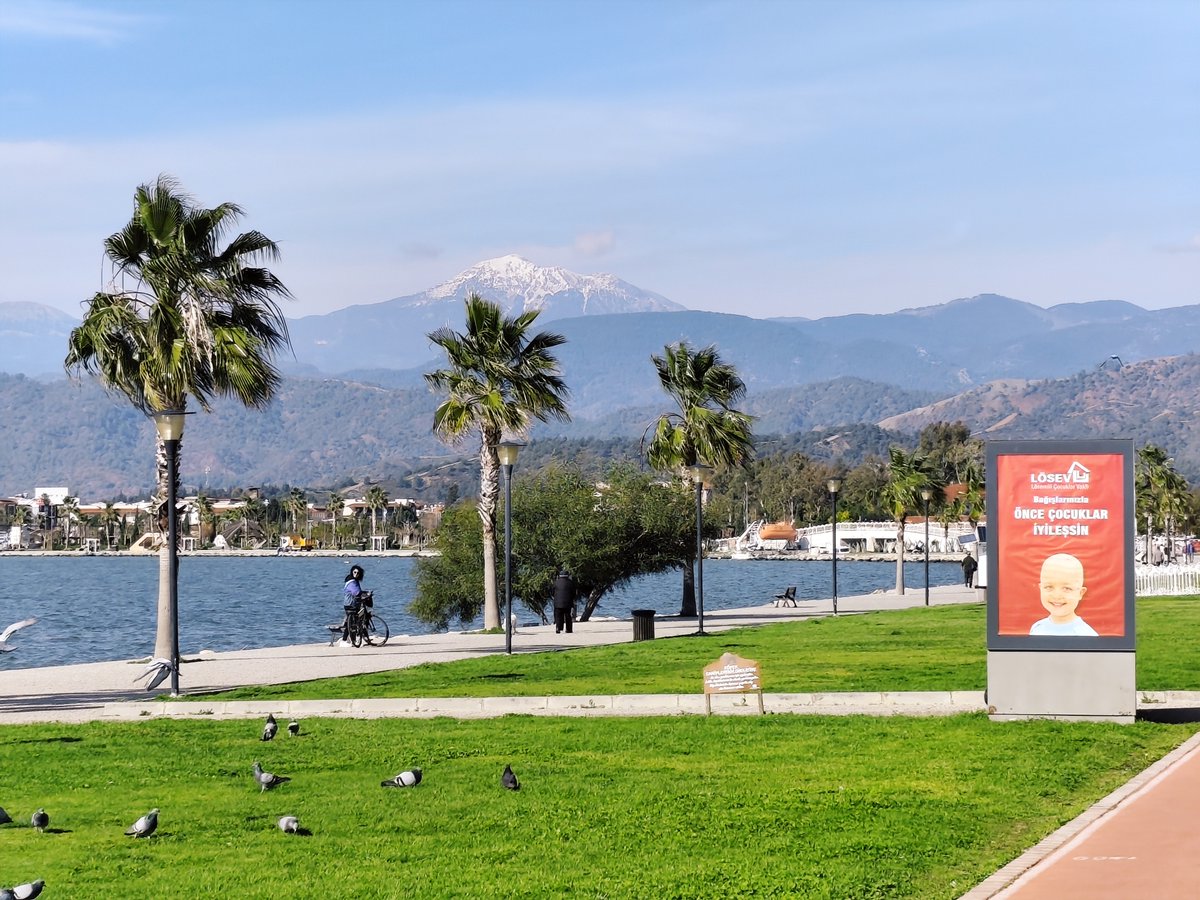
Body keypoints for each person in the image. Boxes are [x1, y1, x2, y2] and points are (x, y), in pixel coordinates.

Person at [1029, 553, 1098, 636]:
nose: (1057, 595)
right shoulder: (1037, 628)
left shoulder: (1086, 635)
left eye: (1067, 588)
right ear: (1041, 588)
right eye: (1049, 587)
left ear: (1080, 593)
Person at [340, 565, 366, 645]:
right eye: (354, 572)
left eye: (358, 573)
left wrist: (364, 593)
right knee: (350, 622)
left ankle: (353, 639)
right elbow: (356, 592)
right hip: (350, 604)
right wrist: (364, 593)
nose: (356, 574)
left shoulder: (355, 581)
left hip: (354, 603)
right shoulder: (351, 582)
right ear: (352, 572)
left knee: (354, 621)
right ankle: (344, 640)